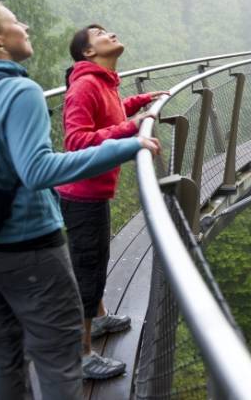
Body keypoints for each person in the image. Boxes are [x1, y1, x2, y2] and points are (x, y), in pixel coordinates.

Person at [0, 0, 161, 398]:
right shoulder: (18, 90)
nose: (25, 26)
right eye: (15, 22)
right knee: (60, 360)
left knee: (4, 361)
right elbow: (38, 170)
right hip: (25, 249)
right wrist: (127, 146)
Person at [56, 24, 168, 377]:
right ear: (88, 51)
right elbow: (76, 141)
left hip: (94, 192)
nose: (110, 34)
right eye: (100, 33)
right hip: (81, 195)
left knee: (95, 261)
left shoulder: (103, 81)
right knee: (87, 269)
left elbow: (111, 112)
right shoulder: (85, 85)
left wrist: (138, 104)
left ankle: (100, 319)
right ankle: (82, 354)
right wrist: (132, 127)